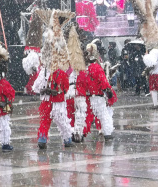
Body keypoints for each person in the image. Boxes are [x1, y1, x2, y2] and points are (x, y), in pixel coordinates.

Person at [32, 10, 73, 149]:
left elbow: (36, 88)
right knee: (62, 120)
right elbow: (66, 87)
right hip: (57, 102)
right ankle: (67, 139)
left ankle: (43, 139)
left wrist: (45, 90)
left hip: (46, 101)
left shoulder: (43, 71)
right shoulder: (60, 73)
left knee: (45, 120)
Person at [77, 43, 114, 141]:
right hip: (98, 96)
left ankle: (81, 134)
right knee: (103, 115)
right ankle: (107, 134)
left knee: (87, 116)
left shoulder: (84, 69)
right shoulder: (97, 68)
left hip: (88, 97)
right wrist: (108, 92)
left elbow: (82, 83)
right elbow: (103, 82)